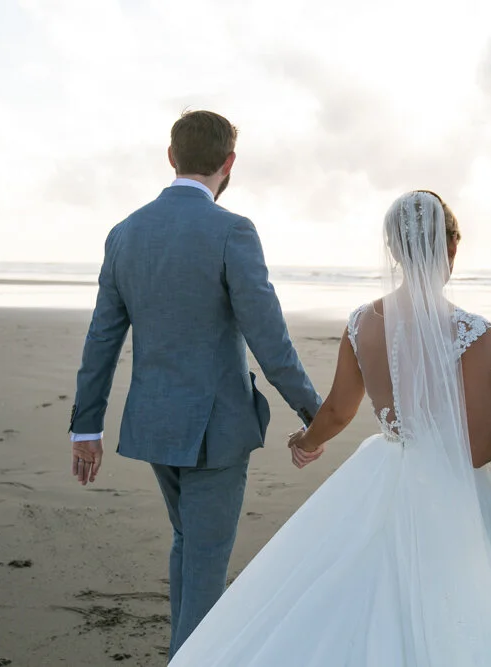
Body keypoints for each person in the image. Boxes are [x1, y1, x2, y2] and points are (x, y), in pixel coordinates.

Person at [170, 190, 491, 666]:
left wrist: (307, 440)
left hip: (381, 468)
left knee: (350, 591)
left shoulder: (363, 321)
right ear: (452, 246)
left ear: (396, 250)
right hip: (450, 493)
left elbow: (340, 410)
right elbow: (478, 448)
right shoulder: (473, 331)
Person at [67, 110, 321, 658]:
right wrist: (314, 415)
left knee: (188, 543)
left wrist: (85, 427)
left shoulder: (125, 232)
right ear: (229, 164)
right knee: (205, 559)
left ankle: (182, 651)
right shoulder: (232, 231)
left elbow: (101, 339)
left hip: (155, 423)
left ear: (171, 157)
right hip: (217, 430)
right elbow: (269, 341)